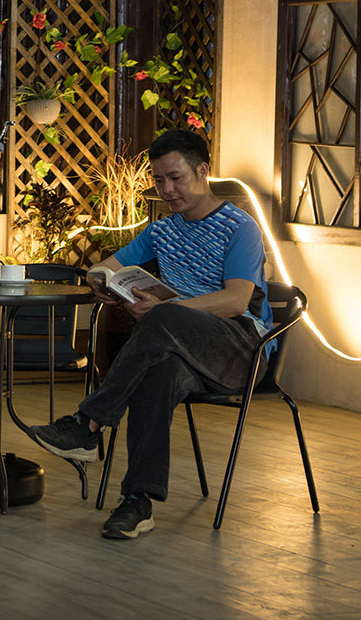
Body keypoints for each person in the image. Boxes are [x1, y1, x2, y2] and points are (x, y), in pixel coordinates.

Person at [30, 129, 273, 540]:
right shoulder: (162, 231)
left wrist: (165, 309)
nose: (167, 189)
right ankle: (137, 502)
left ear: (203, 170)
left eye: (176, 178)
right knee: (156, 376)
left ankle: (88, 423)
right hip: (181, 350)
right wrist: (101, 280)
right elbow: (105, 265)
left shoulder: (240, 227)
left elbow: (236, 301)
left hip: (240, 351)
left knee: (161, 317)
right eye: (159, 180)